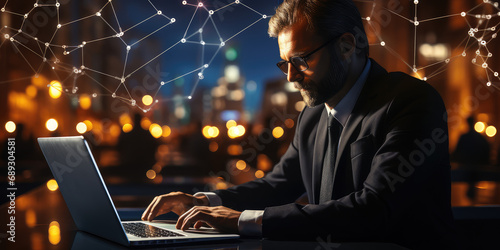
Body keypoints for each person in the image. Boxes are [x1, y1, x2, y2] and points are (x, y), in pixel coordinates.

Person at [142, 0, 456, 248]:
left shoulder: (413, 101)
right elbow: (278, 184)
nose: (291, 77)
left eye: (301, 60)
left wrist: (243, 220)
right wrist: (205, 202)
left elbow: (374, 209)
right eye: (285, 63)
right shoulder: (312, 116)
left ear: (347, 45)